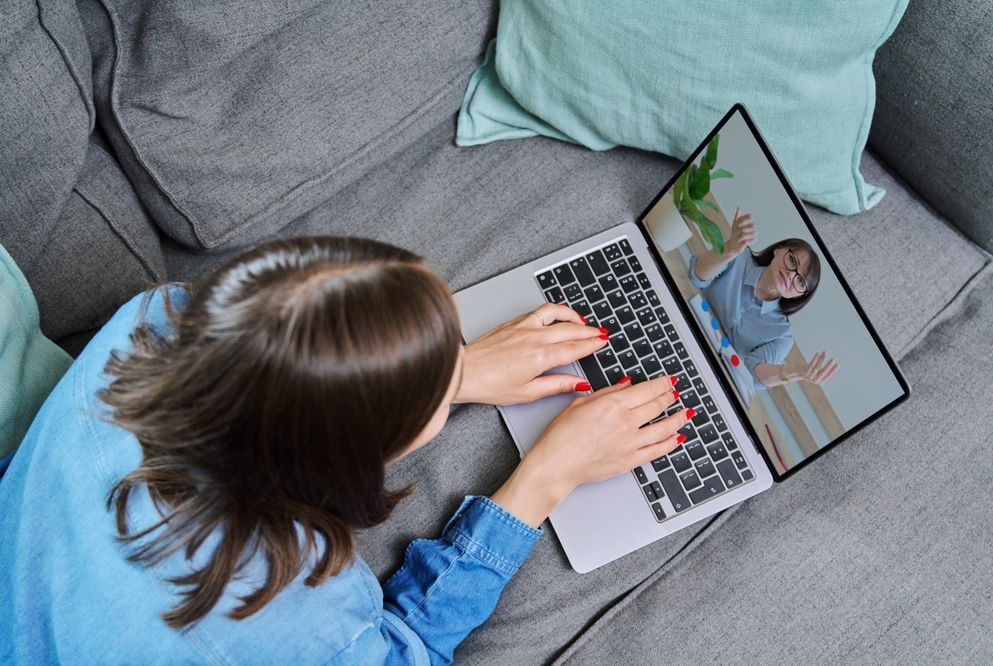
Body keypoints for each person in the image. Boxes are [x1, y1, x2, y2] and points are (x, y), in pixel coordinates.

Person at [0, 236, 695, 664]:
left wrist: (447, 373)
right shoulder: (301, 613)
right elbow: (407, 655)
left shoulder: (152, 325)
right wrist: (547, 476)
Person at [689, 208, 839, 391]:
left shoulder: (782, 334)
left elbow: (753, 373)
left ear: (800, 295)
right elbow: (697, 275)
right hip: (685, 322)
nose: (791, 276)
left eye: (800, 281)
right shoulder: (739, 257)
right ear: (778, 250)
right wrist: (730, 249)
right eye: (792, 261)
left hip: (715, 379)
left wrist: (797, 372)